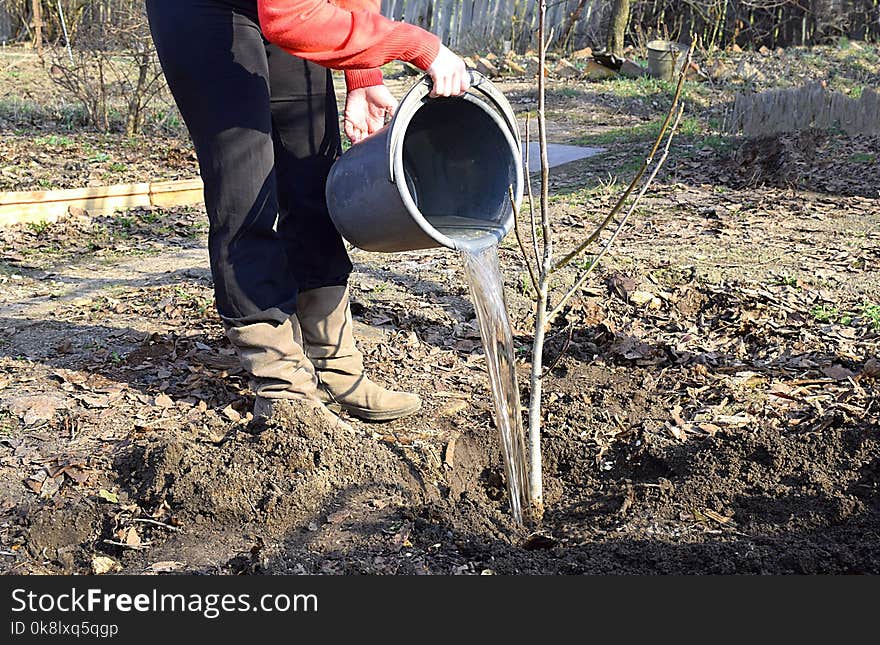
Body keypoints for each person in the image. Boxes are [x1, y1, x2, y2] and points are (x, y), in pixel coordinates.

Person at [145, 0, 470, 427]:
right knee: (246, 190)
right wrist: (418, 45)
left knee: (313, 175)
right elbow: (288, 17)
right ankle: (282, 383)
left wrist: (363, 74)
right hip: (204, 11)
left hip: (291, 7)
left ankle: (337, 368)